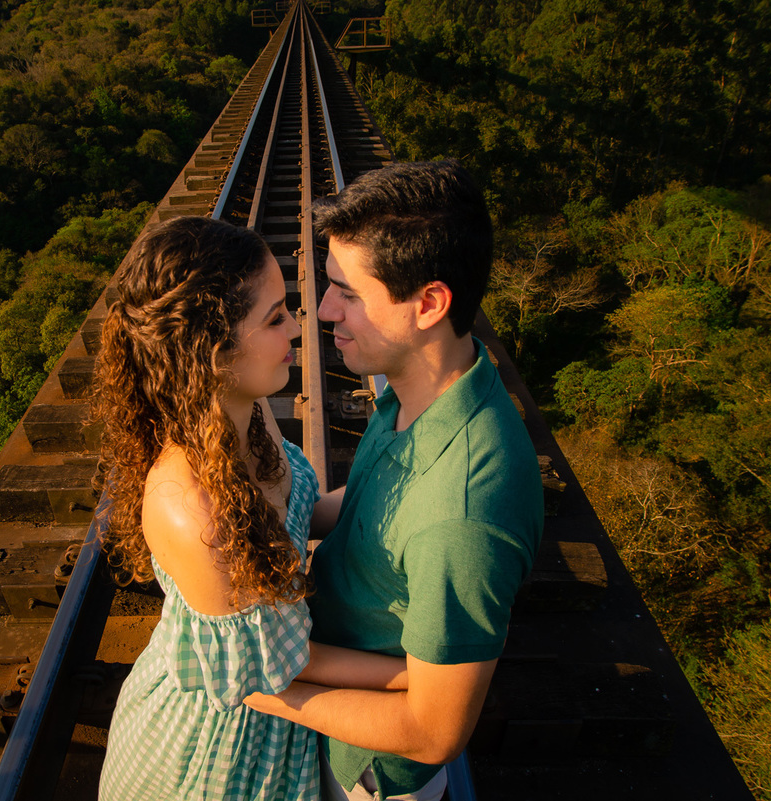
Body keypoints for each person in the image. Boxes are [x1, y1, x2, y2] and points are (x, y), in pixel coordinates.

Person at [244, 160, 545, 801]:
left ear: (429, 303)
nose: (323, 311)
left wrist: (261, 691)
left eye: (348, 294)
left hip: (364, 765)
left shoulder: (461, 516)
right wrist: (275, 515)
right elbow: (379, 500)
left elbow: (433, 732)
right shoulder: (430, 388)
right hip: (333, 676)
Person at [93, 215, 408, 801]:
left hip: (280, 712)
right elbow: (275, 666)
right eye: (274, 318)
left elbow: (297, 518)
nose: (299, 325)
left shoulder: (250, 410)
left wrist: (409, 493)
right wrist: (420, 676)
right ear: (212, 353)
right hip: (219, 751)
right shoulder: (188, 507)